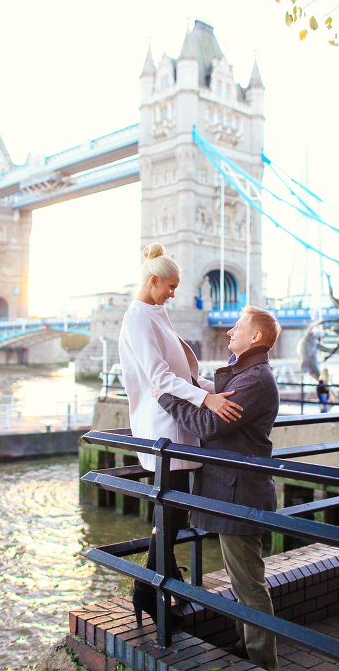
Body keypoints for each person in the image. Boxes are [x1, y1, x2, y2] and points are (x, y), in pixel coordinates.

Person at [118, 243, 240, 628]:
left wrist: (214, 389)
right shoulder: (138, 318)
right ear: (153, 281)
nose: (175, 293)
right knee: (169, 513)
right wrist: (208, 399)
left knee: (173, 512)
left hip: (179, 426)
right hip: (162, 429)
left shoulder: (157, 312)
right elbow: (160, 378)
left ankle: (157, 581)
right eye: (170, 286)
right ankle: (150, 587)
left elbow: (183, 373)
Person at [153, 306, 281, 671]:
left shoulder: (255, 379)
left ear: (255, 337)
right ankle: (246, 647)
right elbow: (212, 400)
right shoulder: (247, 372)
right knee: (243, 583)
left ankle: (262, 661)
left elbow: (208, 425)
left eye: (237, 327)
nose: (228, 332)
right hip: (234, 492)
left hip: (240, 495)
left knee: (250, 585)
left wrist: (163, 397)